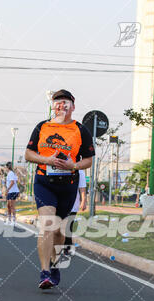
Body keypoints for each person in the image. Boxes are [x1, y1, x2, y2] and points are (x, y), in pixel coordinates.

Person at [25, 89, 95, 289]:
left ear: (73, 107)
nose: (61, 106)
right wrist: (46, 160)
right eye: (57, 102)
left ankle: (54, 264)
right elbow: (29, 154)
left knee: (59, 231)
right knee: (47, 224)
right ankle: (45, 271)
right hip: (44, 181)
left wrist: (73, 166)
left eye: (65, 103)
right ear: (52, 106)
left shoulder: (80, 130)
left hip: (68, 185)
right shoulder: (42, 127)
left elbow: (88, 160)